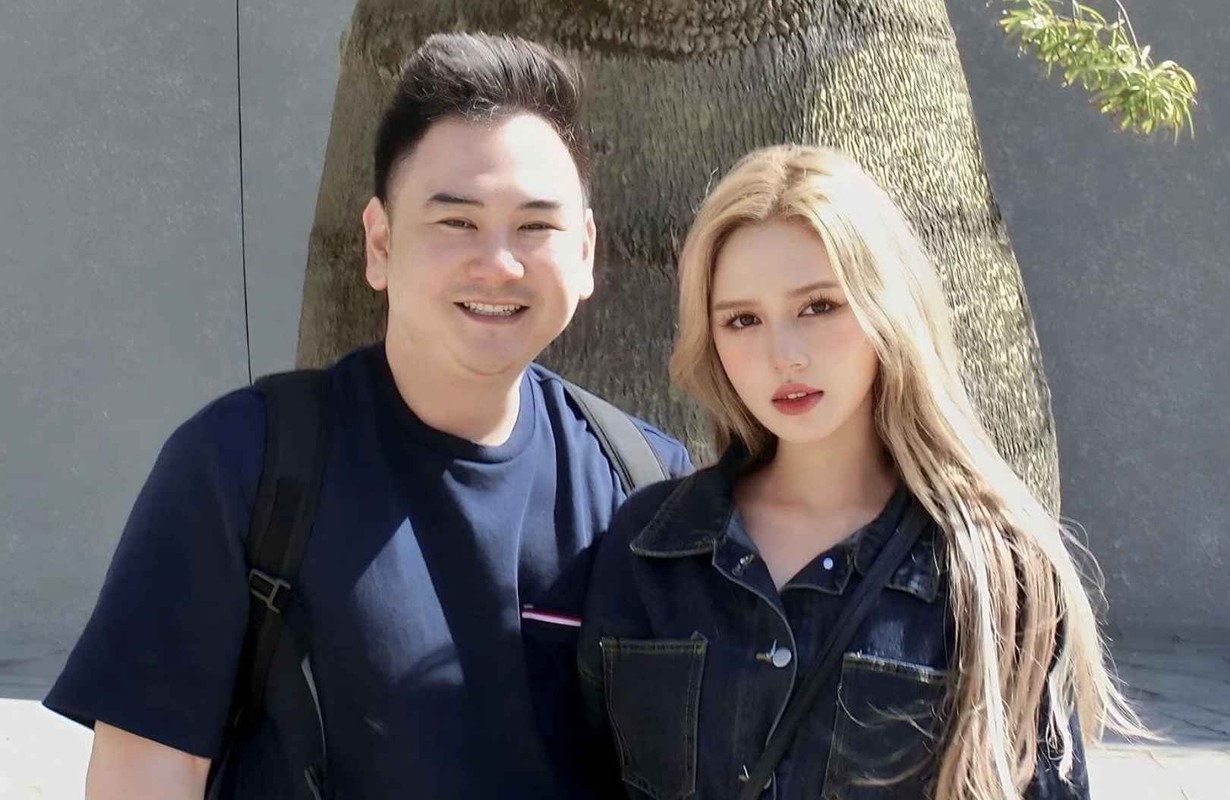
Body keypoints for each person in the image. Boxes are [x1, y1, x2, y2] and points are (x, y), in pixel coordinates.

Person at [44, 32, 690, 800]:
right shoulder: (242, 465)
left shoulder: (645, 487)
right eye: (457, 222)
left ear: (584, 252)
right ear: (379, 244)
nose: (499, 263)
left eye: (535, 226)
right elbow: (148, 777)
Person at [578, 145, 1142, 799]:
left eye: (819, 306)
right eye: (743, 320)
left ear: (887, 308)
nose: (784, 354)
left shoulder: (993, 567)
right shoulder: (651, 546)